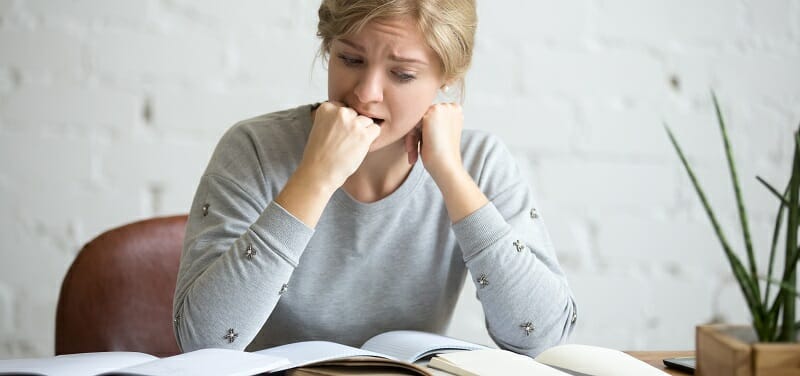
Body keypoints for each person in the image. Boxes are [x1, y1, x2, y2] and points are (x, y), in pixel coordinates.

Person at [172, 0, 577, 358]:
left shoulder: (480, 162)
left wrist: (451, 177)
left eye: (401, 74)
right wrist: (314, 178)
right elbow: (204, 343)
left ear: (447, 75)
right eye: (350, 60)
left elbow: (541, 336)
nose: (366, 94)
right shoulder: (255, 148)